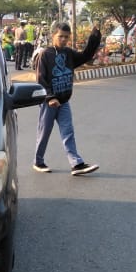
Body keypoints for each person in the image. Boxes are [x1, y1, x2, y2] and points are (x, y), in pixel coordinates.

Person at [32, 22, 102, 175]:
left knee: (68, 131)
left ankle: (76, 164)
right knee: (44, 133)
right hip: (49, 103)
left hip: (63, 102)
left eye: (66, 37)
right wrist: (50, 97)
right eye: (60, 36)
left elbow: (86, 56)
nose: (63, 40)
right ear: (53, 36)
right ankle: (38, 161)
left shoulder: (68, 54)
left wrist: (94, 37)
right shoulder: (45, 54)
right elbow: (41, 79)